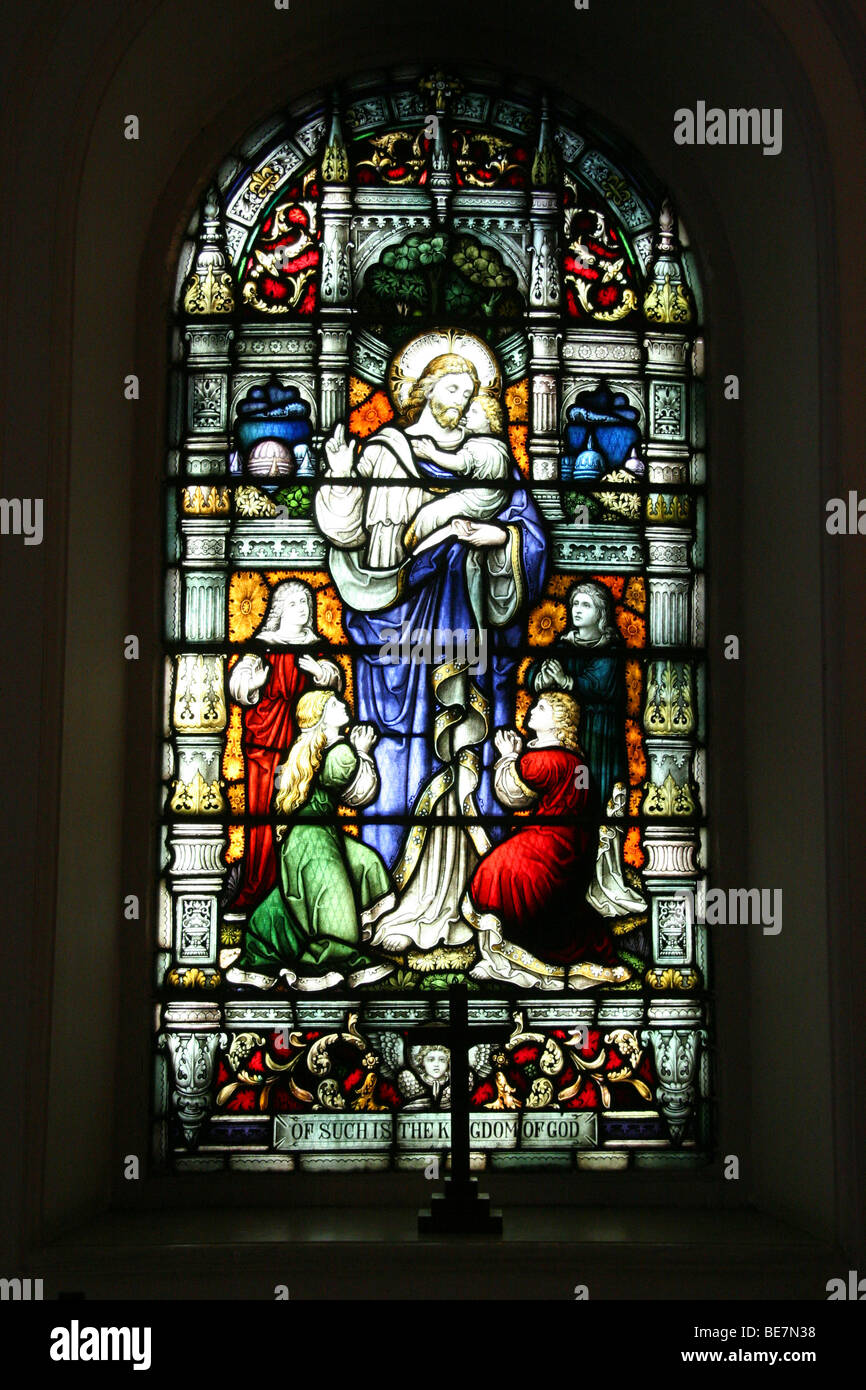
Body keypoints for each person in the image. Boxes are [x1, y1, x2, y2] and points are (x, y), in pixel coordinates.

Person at [315, 338, 548, 954]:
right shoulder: (385, 451)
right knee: (400, 747)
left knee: (465, 744)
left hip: (467, 622)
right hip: (401, 628)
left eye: (471, 393)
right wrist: (339, 472)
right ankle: (389, 888)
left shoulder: (492, 463)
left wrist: (489, 535)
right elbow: (347, 532)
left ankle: (476, 902)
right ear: (423, 390)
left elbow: (528, 540)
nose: (462, 401)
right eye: (451, 389)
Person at [225, 690, 395, 991]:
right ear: (320, 716)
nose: (344, 705)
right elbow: (345, 784)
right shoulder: (339, 750)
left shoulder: (308, 751)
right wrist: (362, 750)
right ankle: (329, 960)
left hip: (309, 836)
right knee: (330, 901)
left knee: (360, 866)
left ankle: (271, 942)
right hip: (313, 840)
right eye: (334, 704)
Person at [463, 692, 631, 990]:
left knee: (499, 871)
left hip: (554, 846)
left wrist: (508, 755)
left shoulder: (550, 760)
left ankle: (505, 958)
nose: (532, 710)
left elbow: (511, 795)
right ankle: (504, 957)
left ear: (559, 724)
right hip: (570, 850)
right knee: (509, 871)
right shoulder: (574, 762)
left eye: (541, 708)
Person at [226, 580, 342, 911]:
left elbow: (334, 678)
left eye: (306, 603)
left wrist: (319, 670)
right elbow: (239, 681)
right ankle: (260, 886)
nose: (302, 609)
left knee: (302, 813)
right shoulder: (262, 645)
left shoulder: (315, 647)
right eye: (294, 604)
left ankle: (305, 892)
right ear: (278, 611)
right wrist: (253, 683)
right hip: (264, 744)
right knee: (263, 815)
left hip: (302, 747)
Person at [527, 579, 626, 812]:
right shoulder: (564, 646)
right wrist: (544, 676)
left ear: (601, 612)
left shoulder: (611, 648)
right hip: (569, 733)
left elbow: (599, 684)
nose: (578, 610)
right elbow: (534, 672)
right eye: (575, 604)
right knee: (570, 795)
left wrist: (566, 681)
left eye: (586, 605)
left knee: (599, 790)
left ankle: (601, 844)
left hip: (601, 731)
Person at [406, 394, 510, 554]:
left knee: (429, 514)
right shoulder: (498, 445)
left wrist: (432, 453)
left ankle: (416, 557)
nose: (467, 414)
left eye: (474, 412)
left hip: (474, 501)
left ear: (489, 419)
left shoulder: (480, 446)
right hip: (488, 501)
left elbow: (459, 463)